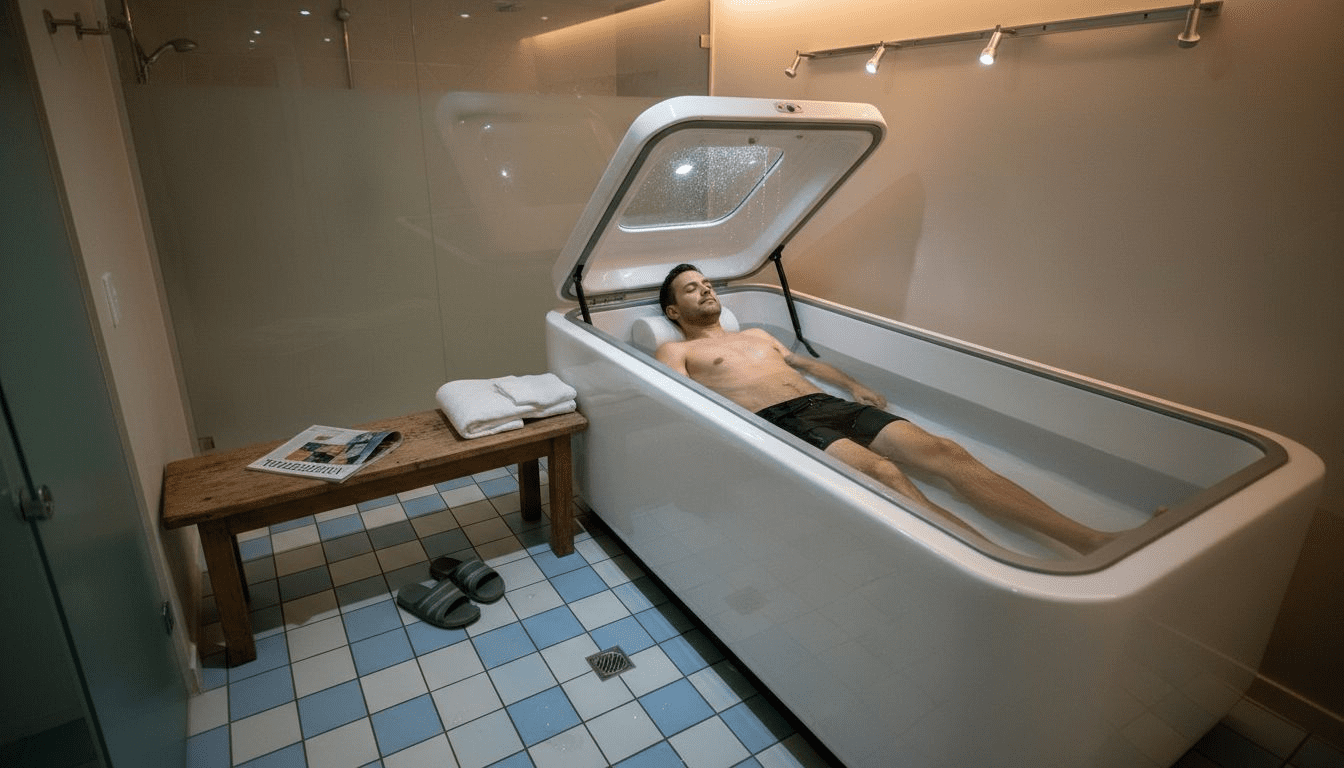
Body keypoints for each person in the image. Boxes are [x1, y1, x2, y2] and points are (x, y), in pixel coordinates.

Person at [654, 263, 1113, 555]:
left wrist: (854, 383)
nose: (706, 291)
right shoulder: (677, 351)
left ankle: (1088, 539)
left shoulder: (755, 334)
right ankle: (989, 558)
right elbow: (676, 398)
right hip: (781, 421)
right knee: (886, 475)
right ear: (674, 311)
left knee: (947, 452)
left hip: (826, 403)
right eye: (692, 289)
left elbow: (804, 362)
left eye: (708, 284)